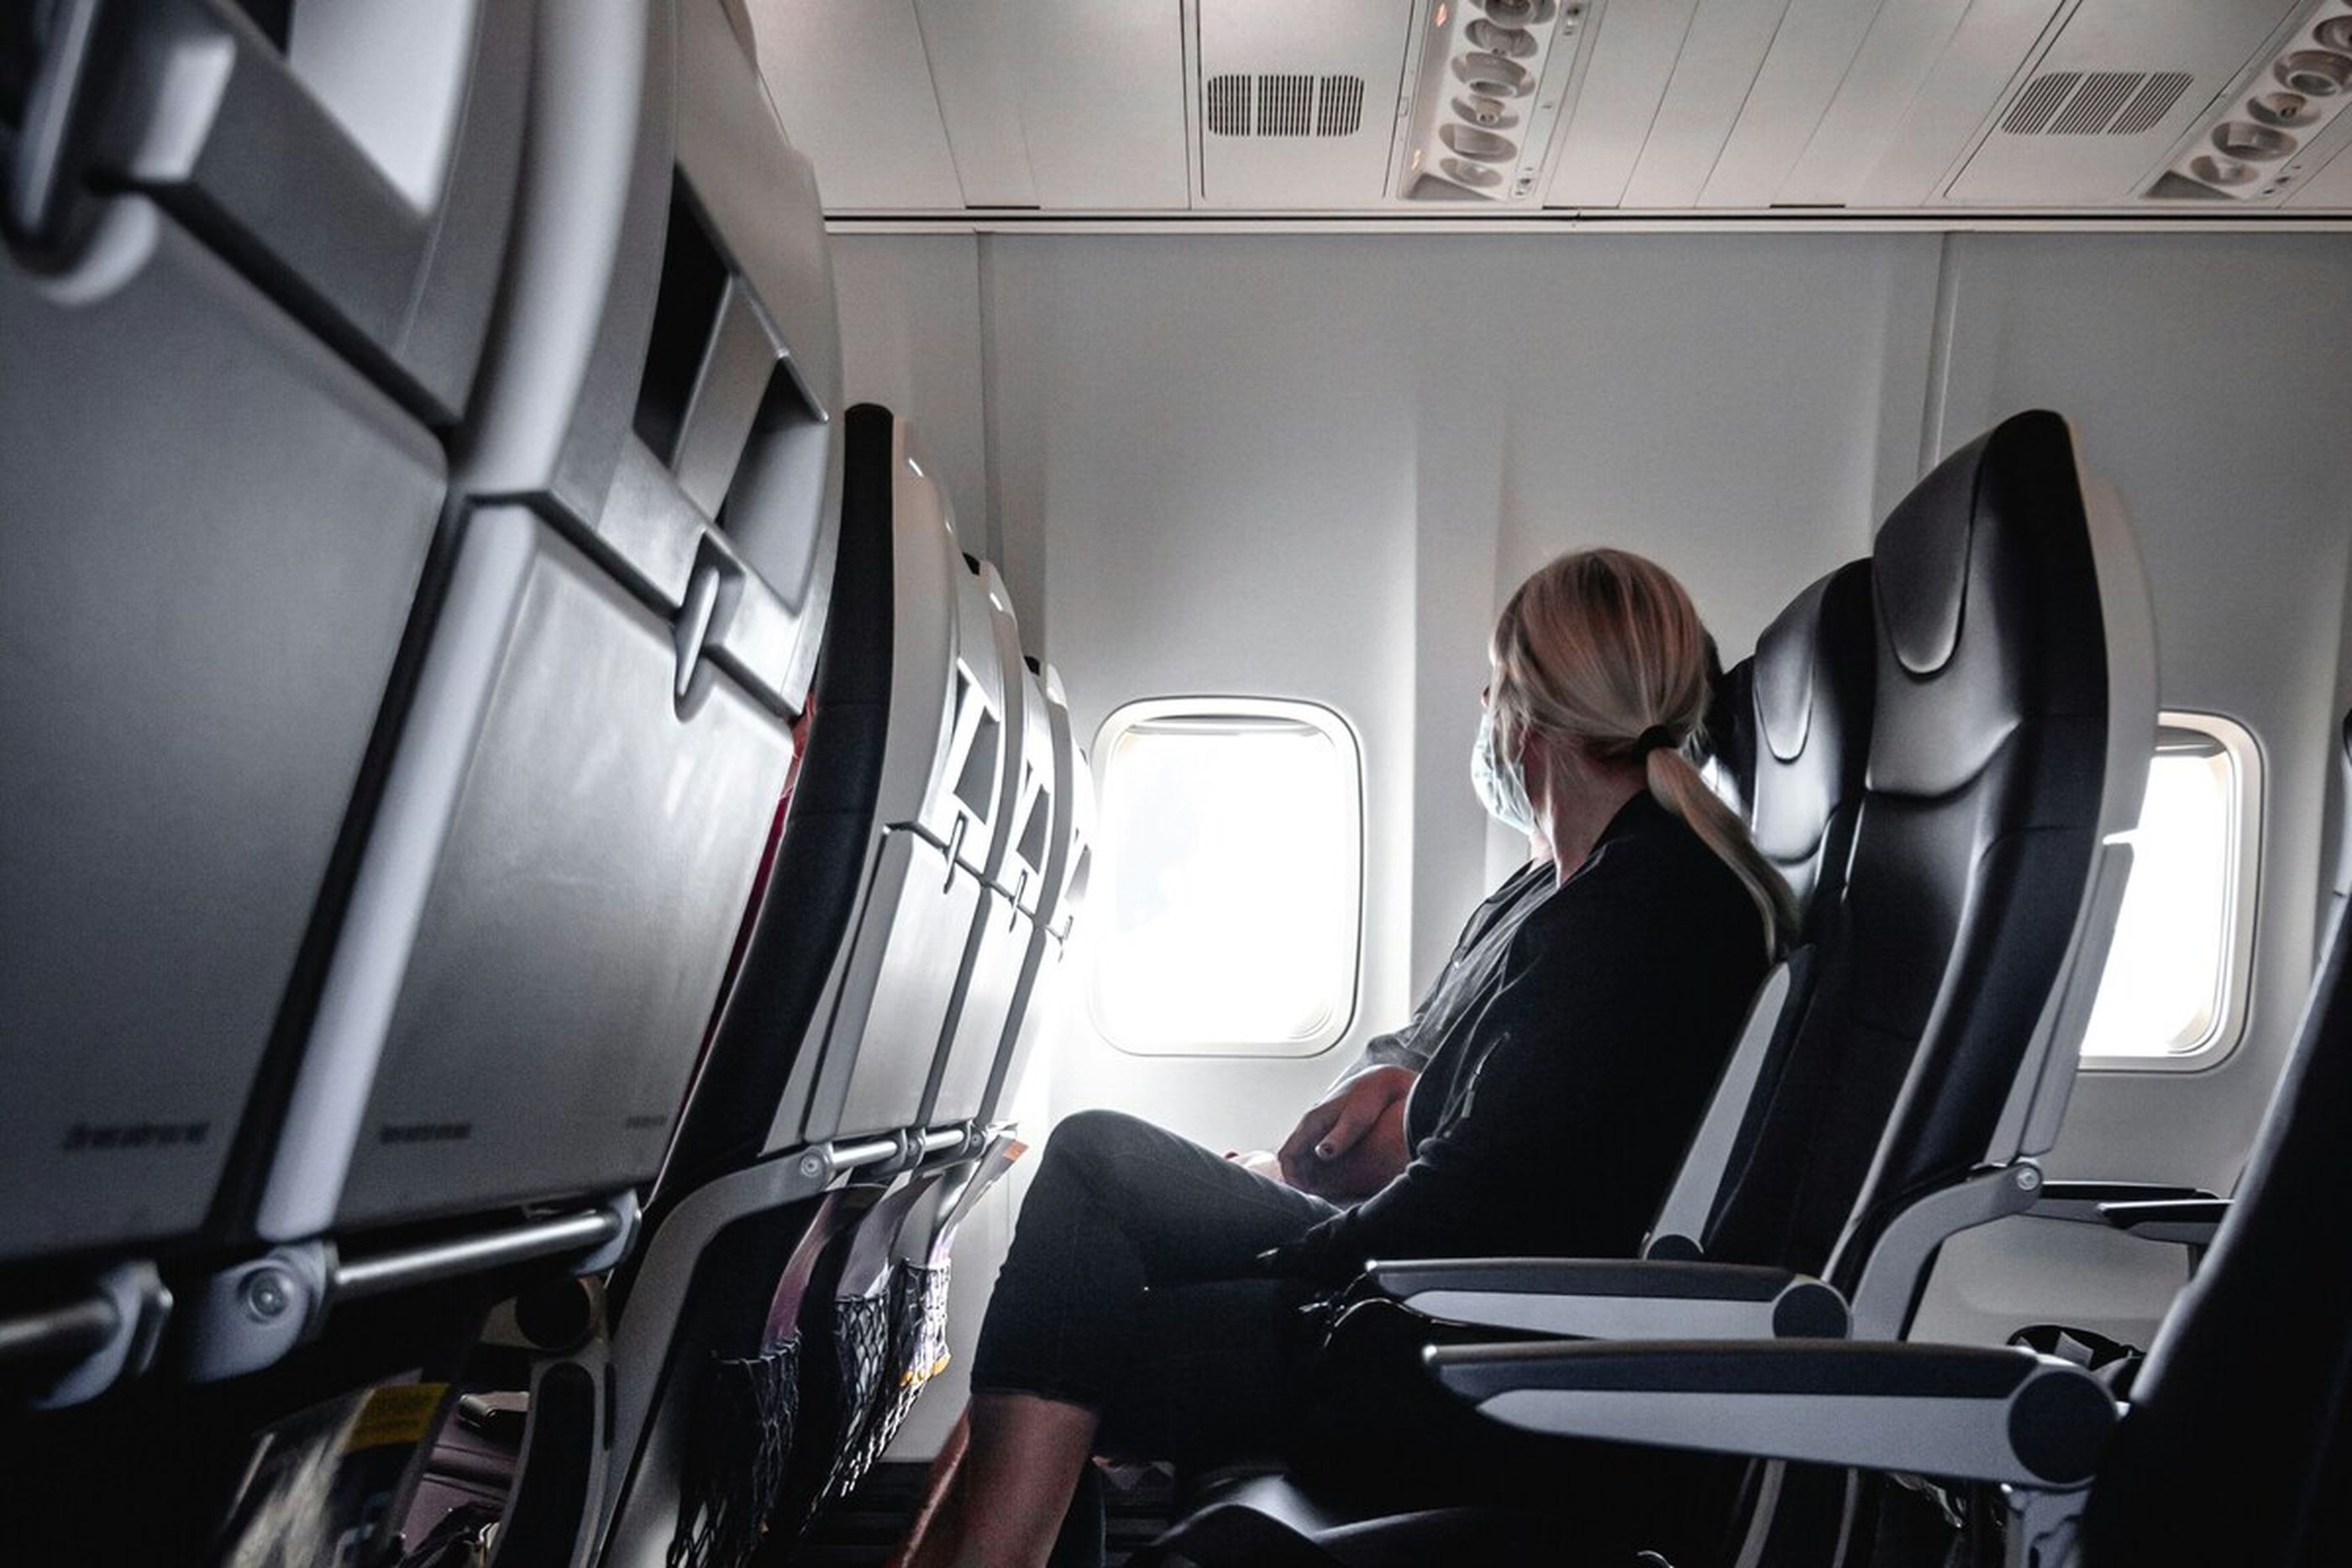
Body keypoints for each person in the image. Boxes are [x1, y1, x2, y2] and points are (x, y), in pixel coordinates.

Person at [926, 550, 1794, 1568]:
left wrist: (1287, 1257)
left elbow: (1485, 1198)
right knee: (1094, 1161)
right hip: (1436, 1294)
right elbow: (1516, 1127)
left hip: (1464, 1345)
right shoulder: (1581, 890)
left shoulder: (1642, 912)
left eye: (1494, 685)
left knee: (1088, 1323)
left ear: (1527, 717)